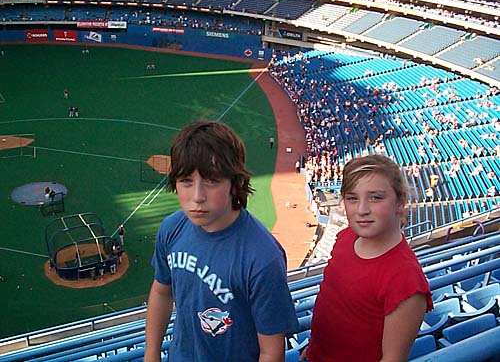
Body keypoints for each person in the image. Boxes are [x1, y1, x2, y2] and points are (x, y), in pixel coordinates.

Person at [145, 121, 298, 362]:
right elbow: (162, 292)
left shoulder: (262, 258)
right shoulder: (172, 228)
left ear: (235, 183)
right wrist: (151, 353)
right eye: (186, 181)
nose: (197, 197)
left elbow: (271, 351)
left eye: (212, 181)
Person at [300, 154, 433, 362]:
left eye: (376, 198)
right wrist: (314, 348)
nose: (362, 210)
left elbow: (392, 358)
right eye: (352, 198)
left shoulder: (406, 281)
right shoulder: (345, 237)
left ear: (400, 202)